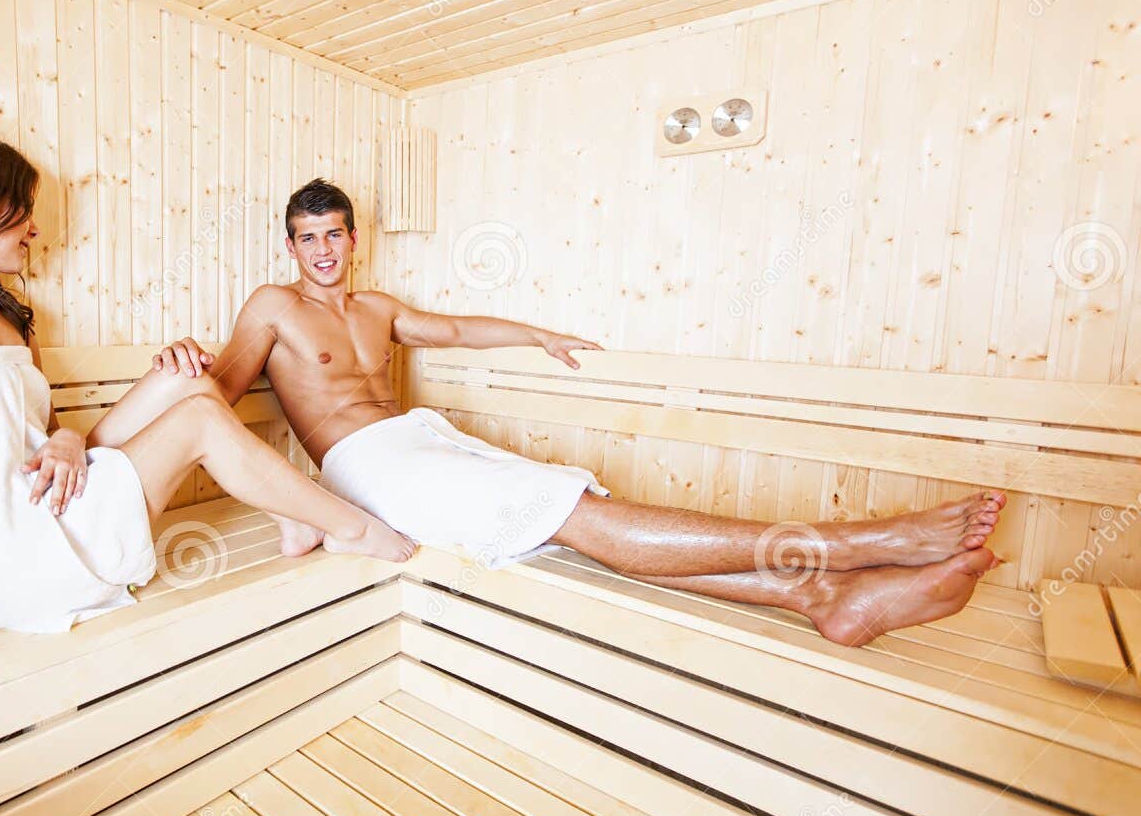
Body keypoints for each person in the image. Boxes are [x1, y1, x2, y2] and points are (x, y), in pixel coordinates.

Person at [128, 178, 1006, 649]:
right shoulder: (271, 305)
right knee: (581, 516)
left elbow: (460, 328)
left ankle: (821, 598)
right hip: (368, 467)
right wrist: (189, 379)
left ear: (354, 238)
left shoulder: (378, 306)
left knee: (569, 529)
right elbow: (227, 386)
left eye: (334, 234)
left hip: (421, 441)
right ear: (290, 246)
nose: (321, 250)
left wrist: (536, 333)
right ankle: (856, 544)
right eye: (306, 238)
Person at [0, 133, 414, 727]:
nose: (33, 230)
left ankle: (295, 519)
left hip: (45, 507)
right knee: (200, 415)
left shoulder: (7, 317)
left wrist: (64, 438)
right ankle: (351, 525)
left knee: (185, 377)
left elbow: (44, 440)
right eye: (25, 211)